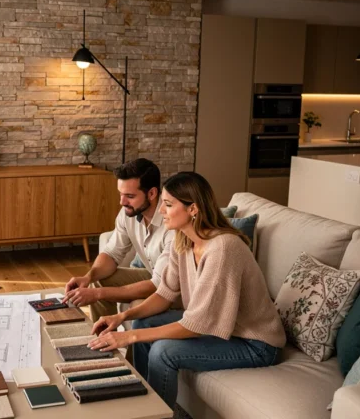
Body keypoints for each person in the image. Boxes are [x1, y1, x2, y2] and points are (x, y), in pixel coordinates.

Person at [87, 171, 286, 409]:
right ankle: (141, 401)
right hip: (221, 329)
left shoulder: (223, 248)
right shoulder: (182, 240)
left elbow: (196, 324)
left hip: (254, 343)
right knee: (143, 322)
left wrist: (129, 336)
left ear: (193, 209)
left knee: (163, 351)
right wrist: (122, 317)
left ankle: (157, 413)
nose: (161, 210)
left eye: (169, 205)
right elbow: (164, 294)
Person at [63, 159, 174, 336]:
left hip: (175, 289)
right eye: (120, 194)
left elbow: (158, 285)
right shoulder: (128, 212)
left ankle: (126, 352)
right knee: (99, 279)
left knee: (127, 302)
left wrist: (98, 294)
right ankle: (102, 339)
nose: (122, 202)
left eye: (130, 196)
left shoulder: (172, 223)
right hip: (153, 275)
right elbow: (112, 253)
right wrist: (88, 277)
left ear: (152, 193)